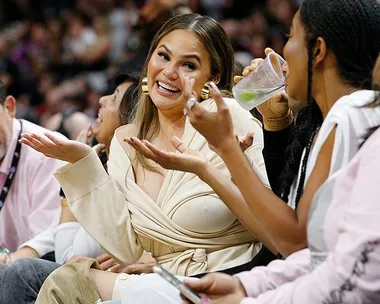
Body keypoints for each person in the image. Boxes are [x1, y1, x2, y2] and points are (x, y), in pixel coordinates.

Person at [21, 14, 270, 303]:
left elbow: (267, 228)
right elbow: (126, 249)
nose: (169, 72)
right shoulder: (125, 139)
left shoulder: (226, 117)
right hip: (159, 284)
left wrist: (224, 162)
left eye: (188, 65)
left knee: (62, 279)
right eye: (163, 56)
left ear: (212, 78)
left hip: (226, 282)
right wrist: (84, 165)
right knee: (62, 278)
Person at [0, 67, 142, 304]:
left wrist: (73, 176)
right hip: (83, 270)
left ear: (132, 120)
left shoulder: (116, 168)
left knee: (22, 274)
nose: (102, 99)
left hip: (110, 279)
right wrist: (26, 250)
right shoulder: (99, 157)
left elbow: (68, 255)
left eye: (114, 98)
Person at [0, 81, 64, 257]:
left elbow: (48, 241)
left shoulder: (47, 151)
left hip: (39, 272)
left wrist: (10, 261)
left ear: (9, 107)